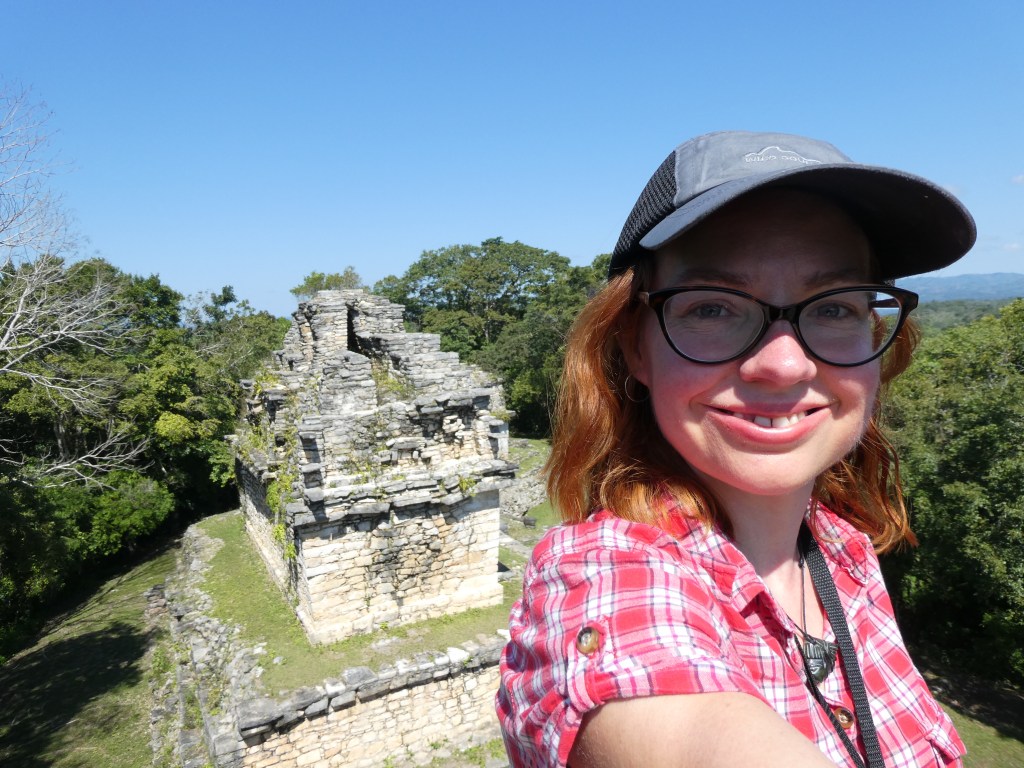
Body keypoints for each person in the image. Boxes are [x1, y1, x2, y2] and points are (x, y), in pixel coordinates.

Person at [496, 131, 976, 768]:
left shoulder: (841, 549)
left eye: (834, 308)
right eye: (713, 308)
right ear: (635, 346)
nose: (783, 365)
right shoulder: (606, 576)